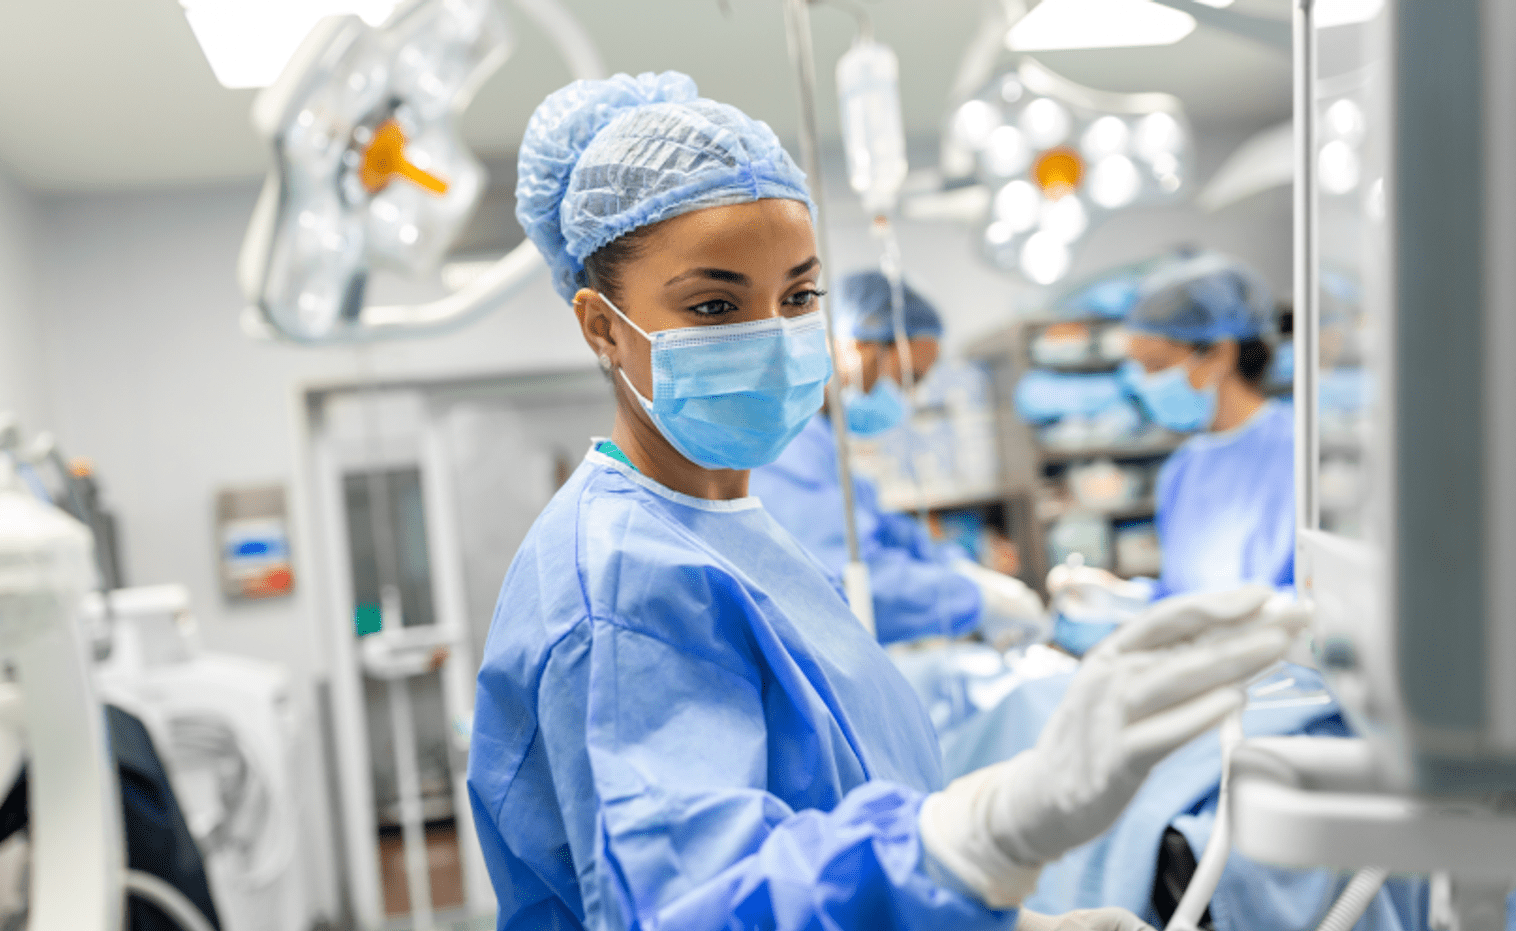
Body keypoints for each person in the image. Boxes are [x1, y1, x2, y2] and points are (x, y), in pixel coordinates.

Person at [467, 72, 1301, 931]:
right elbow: (700, 906)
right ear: (603, 326)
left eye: (798, 296)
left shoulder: (727, 530)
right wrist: (968, 844)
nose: (773, 337)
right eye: (716, 305)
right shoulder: (620, 586)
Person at [750, 270, 1045, 649]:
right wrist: (975, 600)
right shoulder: (786, 450)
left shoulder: (823, 445)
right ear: (860, 346)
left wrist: (958, 567)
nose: (909, 398)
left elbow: (886, 531)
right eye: (908, 378)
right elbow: (853, 581)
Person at [1050, 254, 1294, 650]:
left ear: (1220, 354)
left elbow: (1319, 601)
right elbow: (1186, 597)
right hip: (1202, 671)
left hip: (1282, 673)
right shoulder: (1183, 469)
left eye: (1155, 364)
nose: (1143, 384)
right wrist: (1123, 599)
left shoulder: (1298, 453)